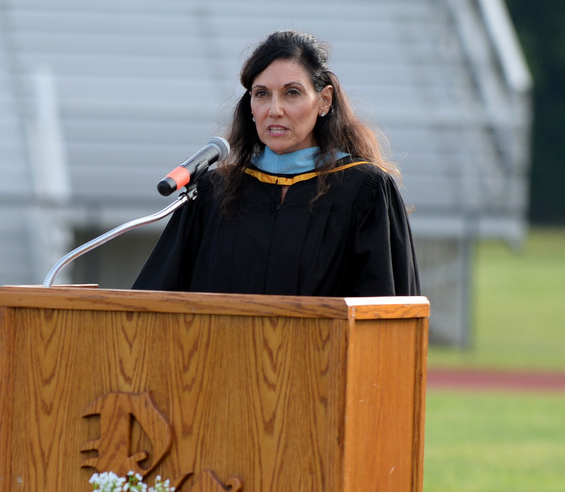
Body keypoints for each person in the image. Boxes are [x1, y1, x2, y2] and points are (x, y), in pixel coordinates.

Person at [133, 30, 419, 298]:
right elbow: (155, 300)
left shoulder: (364, 190)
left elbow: (388, 312)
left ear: (324, 100)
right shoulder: (214, 192)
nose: (274, 110)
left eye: (291, 93)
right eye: (262, 94)